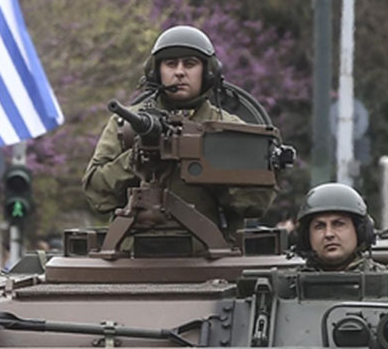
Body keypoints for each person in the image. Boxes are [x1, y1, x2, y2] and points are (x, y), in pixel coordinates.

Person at [82, 25, 273, 235]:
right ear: (156, 72)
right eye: (170, 64)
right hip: (134, 255)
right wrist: (137, 159)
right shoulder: (127, 124)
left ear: (208, 72)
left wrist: (206, 160)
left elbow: (255, 204)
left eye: (190, 64)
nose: (180, 72)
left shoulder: (231, 128)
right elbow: (96, 193)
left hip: (210, 256)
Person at [294, 183, 388, 272]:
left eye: (338, 224)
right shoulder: (287, 284)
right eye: (320, 226)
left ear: (360, 231)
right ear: (306, 237)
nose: (329, 234)